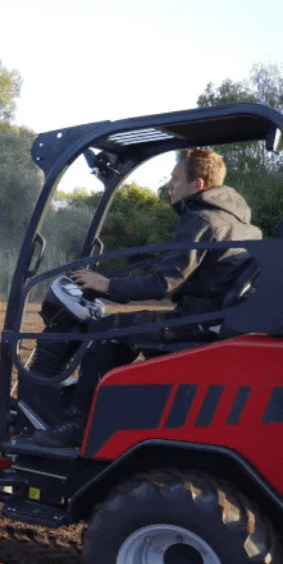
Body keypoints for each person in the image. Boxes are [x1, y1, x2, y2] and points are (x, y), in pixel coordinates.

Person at [30, 148, 263, 448]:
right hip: (214, 320)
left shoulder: (201, 219)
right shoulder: (243, 226)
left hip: (196, 324)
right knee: (126, 328)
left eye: (176, 178)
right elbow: (186, 272)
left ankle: (78, 424)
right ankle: (102, 407)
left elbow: (163, 283)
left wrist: (107, 285)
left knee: (106, 331)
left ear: (198, 185)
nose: (169, 184)